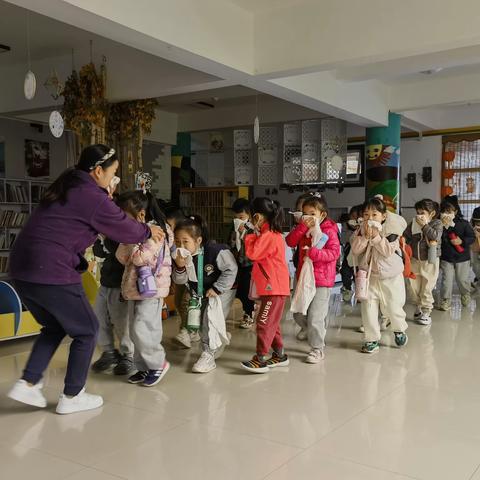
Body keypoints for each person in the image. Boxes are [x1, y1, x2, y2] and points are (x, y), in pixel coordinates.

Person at [7, 144, 164, 414]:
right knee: (87, 329)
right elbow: (125, 227)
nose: (115, 179)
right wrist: (147, 230)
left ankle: (29, 383)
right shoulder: (90, 195)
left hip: (23, 269)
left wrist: (105, 197)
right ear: (98, 171)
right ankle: (72, 395)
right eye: (113, 173)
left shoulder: (69, 186)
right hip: (52, 269)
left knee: (55, 327)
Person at [116, 191, 173, 387]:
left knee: (143, 328)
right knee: (135, 329)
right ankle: (143, 367)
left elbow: (141, 258)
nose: (122, 220)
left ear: (141, 214)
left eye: (125, 216)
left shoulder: (156, 232)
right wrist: (131, 238)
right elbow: (121, 257)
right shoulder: (135, 233)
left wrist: (134, 237)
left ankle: (158, 363)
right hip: (135, 289)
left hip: (152, 289)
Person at [172, 216, 237, 373]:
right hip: (201, 292)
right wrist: (180, 267)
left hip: (222, 290)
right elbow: (180, 281)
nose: (181, 245)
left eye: (185, 241)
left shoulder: (216, 251)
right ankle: (218, 340)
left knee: (210, 318)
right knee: (202, 323)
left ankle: (208, 355)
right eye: (177, 241)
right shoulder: (181, 257)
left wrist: (217, 288)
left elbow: (231, 269)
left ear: (198, 240)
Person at [286, 194, 340, 363]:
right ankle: (311, 330)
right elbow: (289, 241)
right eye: (305, 213)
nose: (308, 217)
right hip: (303, 277)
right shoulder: (303, 229)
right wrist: (301, 227)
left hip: (322, 280)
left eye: (312, 213)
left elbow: (334, 253)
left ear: (322, 214)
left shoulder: (329, 230)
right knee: (297, 312)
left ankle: (317, 348)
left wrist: (314, 253)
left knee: (316, 315)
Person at [350, 196, 409, 354]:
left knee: (393, 306)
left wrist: (375, 237)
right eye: (366, 214)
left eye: (374, 214)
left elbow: (387, 251)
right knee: (368, 308)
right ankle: (371, 339)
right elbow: (355, 250)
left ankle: (399, 330)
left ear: (384, 216)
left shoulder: (392, 230)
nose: (370, 218)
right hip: (369, 277)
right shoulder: (360, 230)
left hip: (391, 276)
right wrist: (365, 237)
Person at [241, 198, 290, 373]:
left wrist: (249, 234)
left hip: (274, 288)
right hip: (273, 287)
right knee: (272, 323)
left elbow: (253, 253)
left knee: (263, 322)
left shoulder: (269, 236)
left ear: (257, 217)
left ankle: (260, 358)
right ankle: (279, 354)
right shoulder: (269, 234)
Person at [90, 231, 133, 375]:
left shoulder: (125, 229)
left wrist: (107, 237)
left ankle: (129, 355)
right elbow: (99, 252)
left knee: (122, 322)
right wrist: (99, 238)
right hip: (105, 283)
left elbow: (121, 253)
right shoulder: (105, 232)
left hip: (120, 284)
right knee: (99, 318)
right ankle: (109, 352)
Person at [404, 199, 443, 325]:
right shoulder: (413, 222)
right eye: (417, 212)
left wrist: (424, 226)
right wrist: (405, 242)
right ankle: (418, 307)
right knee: (413, 286)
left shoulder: (437, 223)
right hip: (415, 259)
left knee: (427, 287)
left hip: (430, 260)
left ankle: (426, 312)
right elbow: (406, 235)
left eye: (422, 213)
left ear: (431, 213)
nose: (419, 215)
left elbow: (435, 236)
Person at [165, 207, 198, 349]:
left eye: (170, 226)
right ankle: (191, 331)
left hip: (192, 280)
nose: (167, 229)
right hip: (179, 278)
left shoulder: (188, 245)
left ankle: (185, 331)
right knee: (178, 302)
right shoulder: (171, 242)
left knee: (186, 302)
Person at [438, 195, 475, 310]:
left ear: (456, 211)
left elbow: (471, 237)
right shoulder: (439, 225)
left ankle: (465, 294)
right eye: (444, 211)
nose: (446, 214)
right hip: (446, 257)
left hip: (462, 258)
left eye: (449, 211)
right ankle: (446, 300)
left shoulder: (463, 223)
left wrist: (461, 241)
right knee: (446, 280)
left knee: (462, 279)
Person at [229, 198, 256, 329]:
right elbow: (232, 245)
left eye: (241, 216)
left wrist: (244, 232)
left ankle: (249, 313)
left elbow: (252, 248)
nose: (238, 219)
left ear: (249, 215)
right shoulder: (233, 227)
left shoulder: (253, 229)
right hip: (237, 264)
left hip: (250, 264)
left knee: (246, 290)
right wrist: (236, 233)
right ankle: (249, 309)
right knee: (239, 290)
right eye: (236, 217)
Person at [340, 205, 364, 303]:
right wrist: (354, 232)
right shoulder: (345, 226)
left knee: (358, 275)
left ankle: (360, 293)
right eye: (352, 216)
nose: (354, 219)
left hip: (360, 257)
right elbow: (343, 239)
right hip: (348, 254)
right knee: (345, 272)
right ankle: (347, 290)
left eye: (356, 217)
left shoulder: (364, 227)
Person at [470, 207, 480, 292]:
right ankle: (478, 279)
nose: (478, 223)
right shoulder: (471, 225)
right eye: (477, 221)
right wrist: (474, 234)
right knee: (475, 266)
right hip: (475, 247)